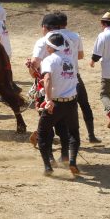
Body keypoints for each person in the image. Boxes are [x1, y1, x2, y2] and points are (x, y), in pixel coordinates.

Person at [37, 32, 80, 176]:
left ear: (50, 46)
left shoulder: (49, 60)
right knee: (73, 133)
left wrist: (48, 100)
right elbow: (68, 78)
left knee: (42, 133)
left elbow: (48, 78)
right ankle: (72, 161)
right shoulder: (70, 59)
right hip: (71, 102)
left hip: (56, 104)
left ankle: (48, 166)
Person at [57, 13, 101, 143]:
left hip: (60, 78)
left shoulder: (52, 37)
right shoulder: (75, 36)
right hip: (75, 75)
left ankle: (66, 137)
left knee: (62, 108)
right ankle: (91, 135)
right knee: (84, 104)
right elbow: (81, 56)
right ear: (66, 22)